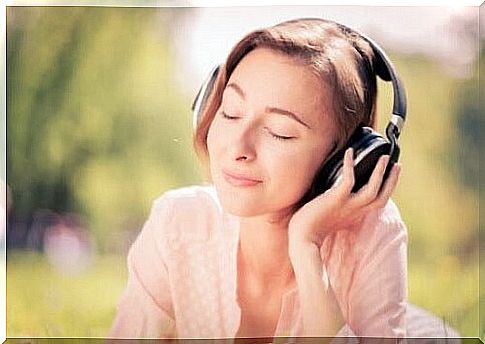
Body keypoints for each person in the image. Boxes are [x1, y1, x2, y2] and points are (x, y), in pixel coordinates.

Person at [109, 18, 407, 339]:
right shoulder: (179, 223)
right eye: (231, 112)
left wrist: (306, 246)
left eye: (280, 133)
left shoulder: (374, 234)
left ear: (345, 159)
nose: (238, 147)